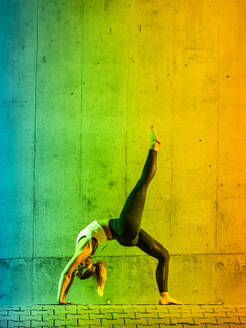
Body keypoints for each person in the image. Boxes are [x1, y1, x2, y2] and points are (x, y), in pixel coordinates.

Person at [57, 126, 182, 305]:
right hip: (125, 227)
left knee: (164, 256)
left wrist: (65, 294)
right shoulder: (84, 248)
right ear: (86, 263)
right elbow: (67, 273)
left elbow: (72, 273)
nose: (77, 268)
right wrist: (61, 299)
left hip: (127, 237)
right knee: (142, 183)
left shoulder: (85, 250)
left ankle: (164, 296)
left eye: (78, 270)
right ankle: (154, 147)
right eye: (80, 269)